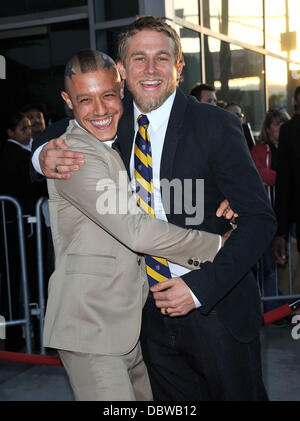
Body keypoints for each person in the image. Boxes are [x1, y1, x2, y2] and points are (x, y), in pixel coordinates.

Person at [32, 16, 276, 401]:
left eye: (161, 58)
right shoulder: (112, 117)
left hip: (214, 307)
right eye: (139, 58)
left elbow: (260, 220)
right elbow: (61, 130)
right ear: (122, 70)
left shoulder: (215, 125)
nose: (150, 70)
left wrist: (198, 290)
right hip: (146, 317)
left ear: (179, 67)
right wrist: (41, 155)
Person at [0, 111, 48, 350]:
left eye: (29, 128)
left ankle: (15, 333)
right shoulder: (18, 156)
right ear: (10, 132)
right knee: (24, 282)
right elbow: (37, 188)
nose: (29, 132)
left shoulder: (14, 153)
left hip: (15, 228)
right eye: (23, 128)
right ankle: (24, 335)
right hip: (20, 229)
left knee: (12, 283)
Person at [251, 109, 290, 312]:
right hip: (267, 216)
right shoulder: (260, 150)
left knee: (290, 266)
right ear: (268, 129)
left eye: (284, 122)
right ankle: (274, 311)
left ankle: (286, 307)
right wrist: (282, 179)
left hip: (289, 216)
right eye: (276, 123)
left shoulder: (292, 148)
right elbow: (256, 172)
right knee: (269, 266)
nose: (281, 126)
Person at [272, 86, 300, 289]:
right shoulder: (290, 131)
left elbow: (284, 182)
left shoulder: (289, 131)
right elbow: (284, 182)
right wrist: (281, 231)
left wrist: (280, 232)